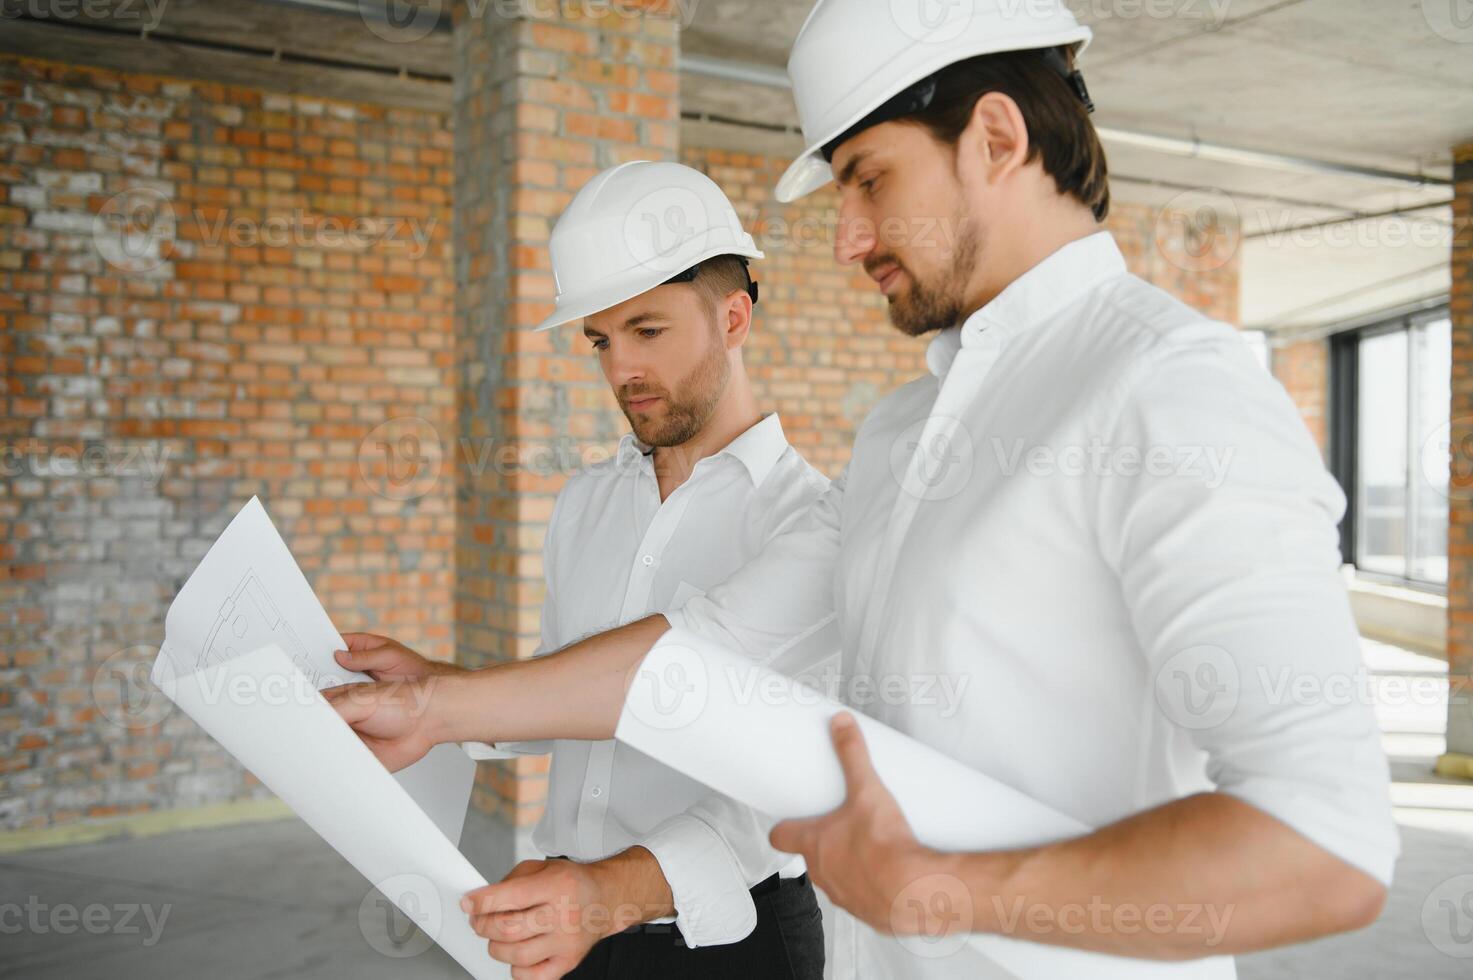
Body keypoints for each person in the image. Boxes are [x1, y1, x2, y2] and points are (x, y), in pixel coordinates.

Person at [327, 1, 1399, 976]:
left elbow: (1321, 843)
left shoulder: (1170, 391)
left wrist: (949, 891)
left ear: (996, 138)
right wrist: (442, 703)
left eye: (869, 177)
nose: (845, 238)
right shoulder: (899, 435)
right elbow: (704, 659)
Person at [334, 162, 830, 980]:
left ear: (733, 318)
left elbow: (787, 790)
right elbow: (570, 690)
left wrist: (612, 892)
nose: (619, 369)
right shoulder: (589, 502)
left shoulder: (810, 524)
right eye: (601, 340)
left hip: (729, 940)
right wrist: (440, 688)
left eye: (648, 330)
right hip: (569, 919)